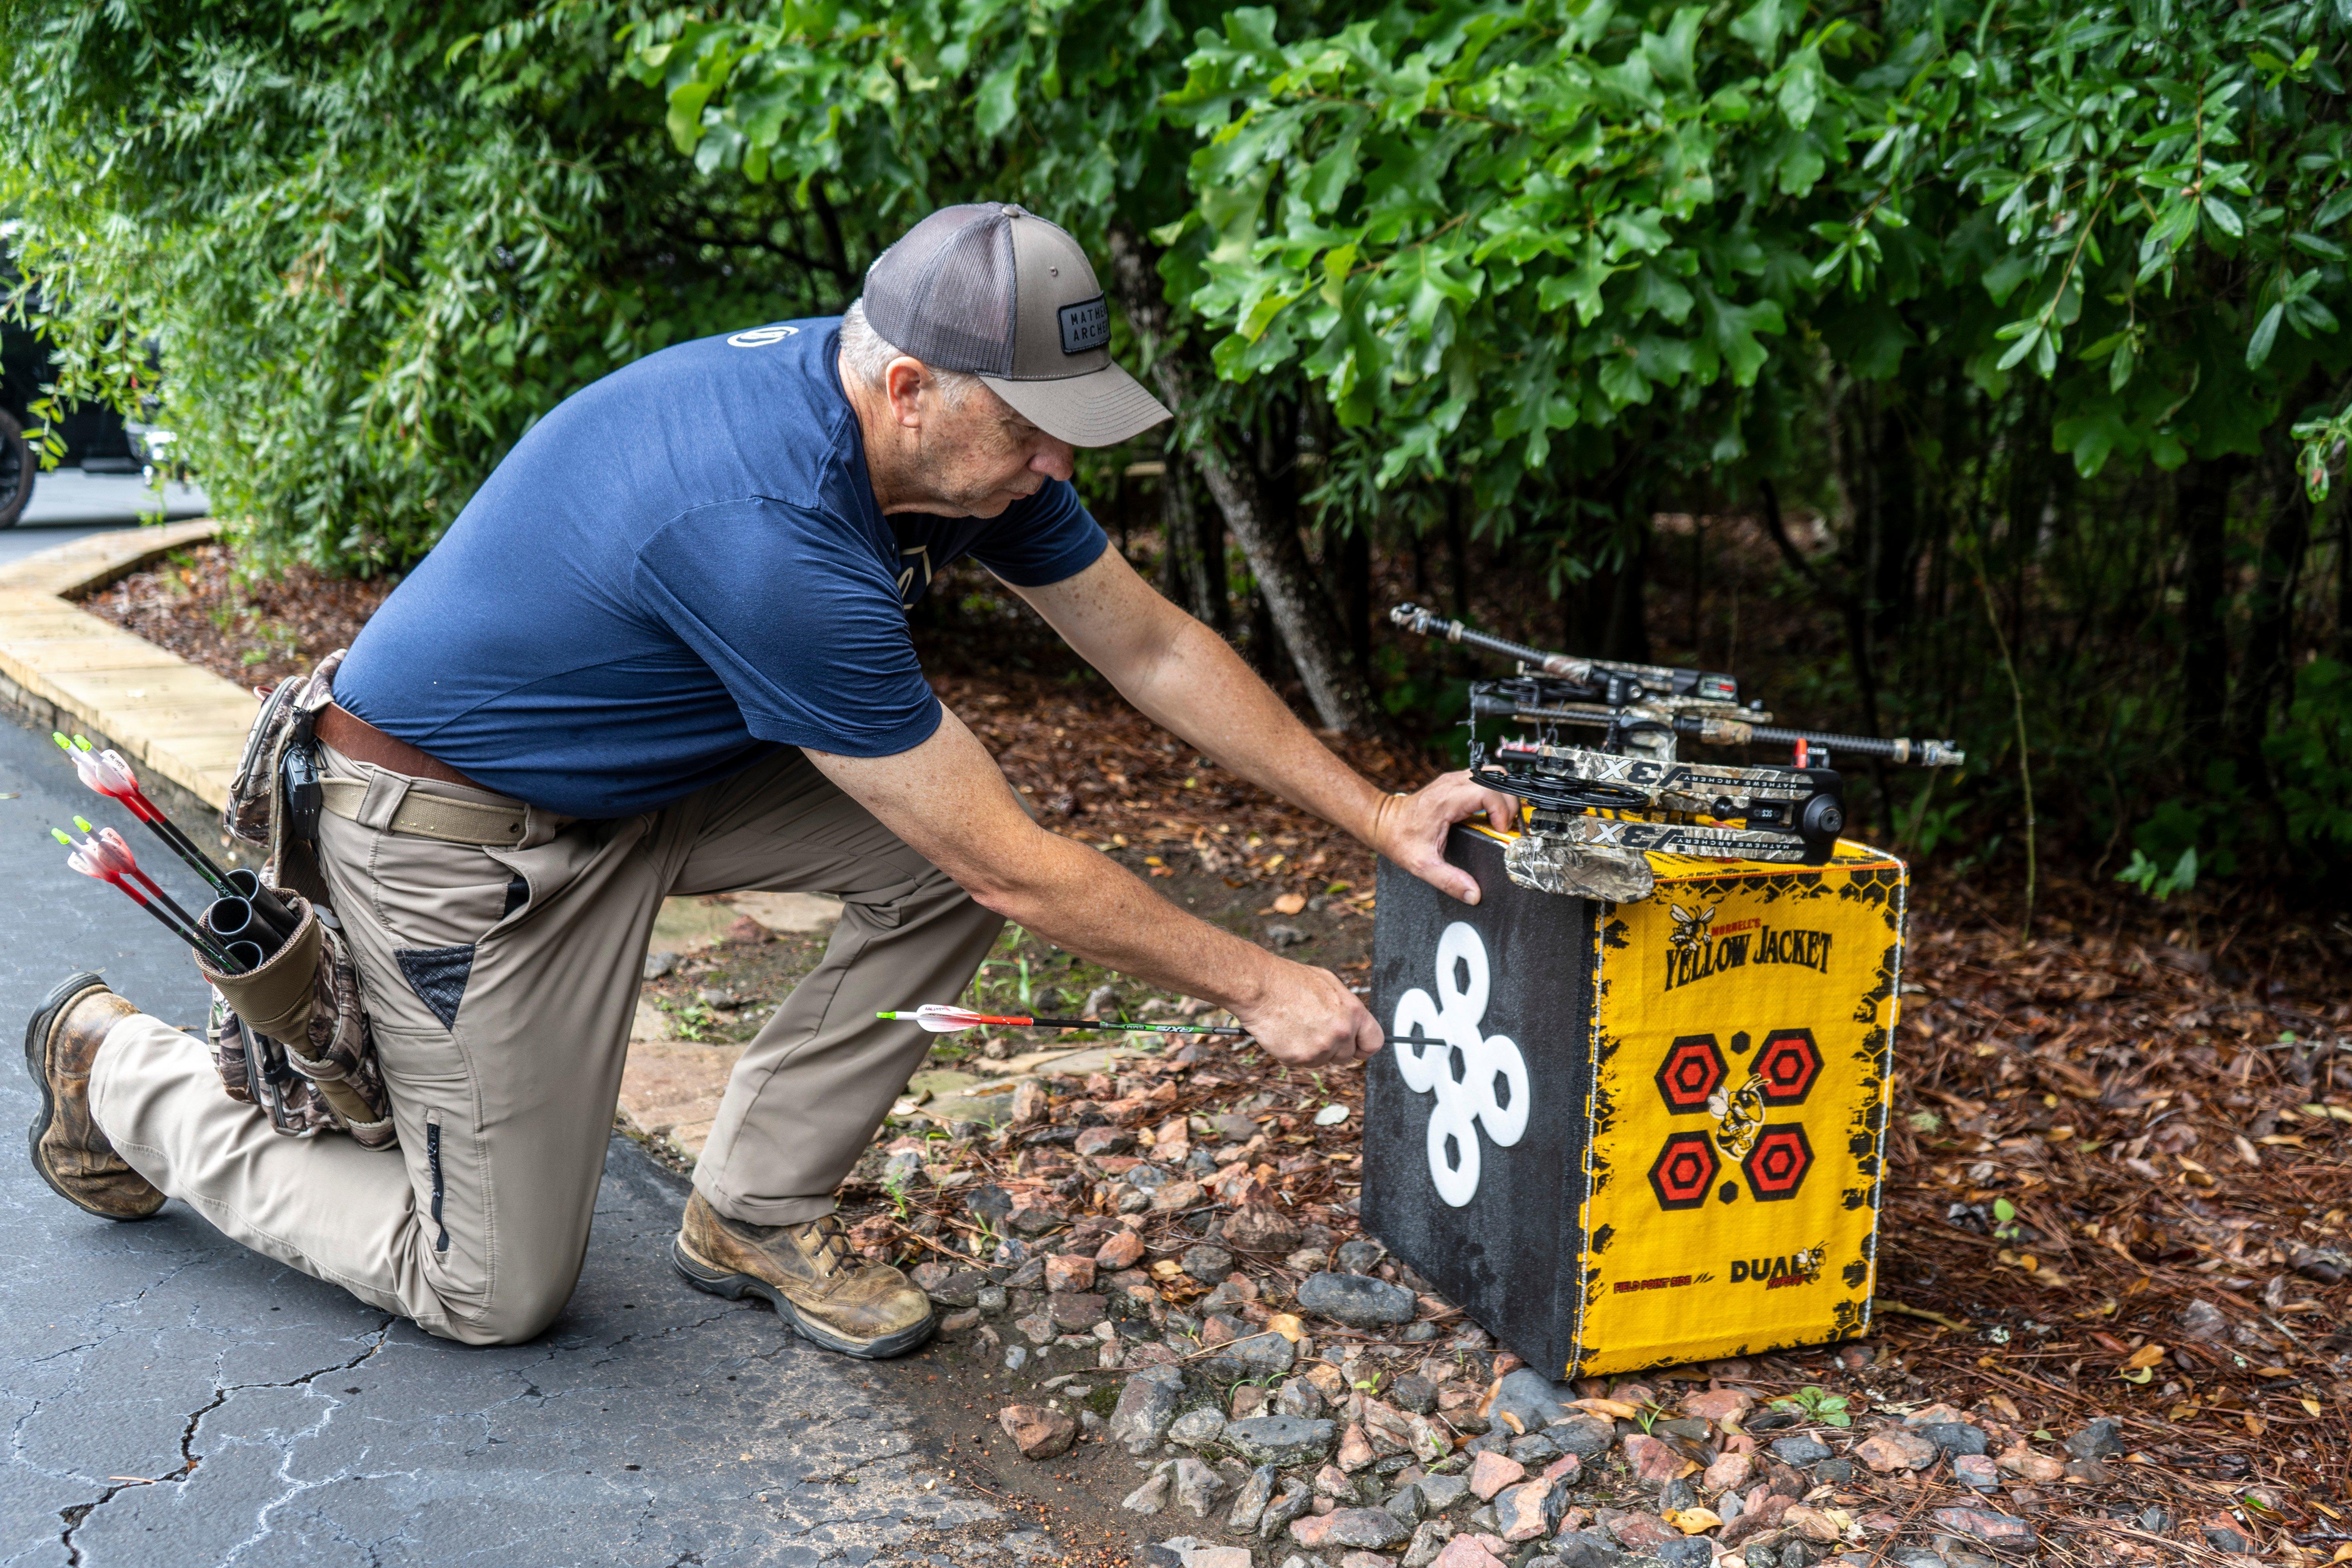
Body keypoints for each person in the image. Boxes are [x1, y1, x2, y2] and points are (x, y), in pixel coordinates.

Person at [24, 203, 1514, 1358]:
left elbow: (1155, 650)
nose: (1059, 468)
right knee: (485, 1285)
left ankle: (755, 1209)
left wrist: (1377, 813)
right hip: (452, 830)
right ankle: (124, 1072)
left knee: (933, 860)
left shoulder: (951, 455)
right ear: (915, 384)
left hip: (647, 776)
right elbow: (1011, 863)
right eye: (1033, 430)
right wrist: (1255, 982)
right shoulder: (769, 525)